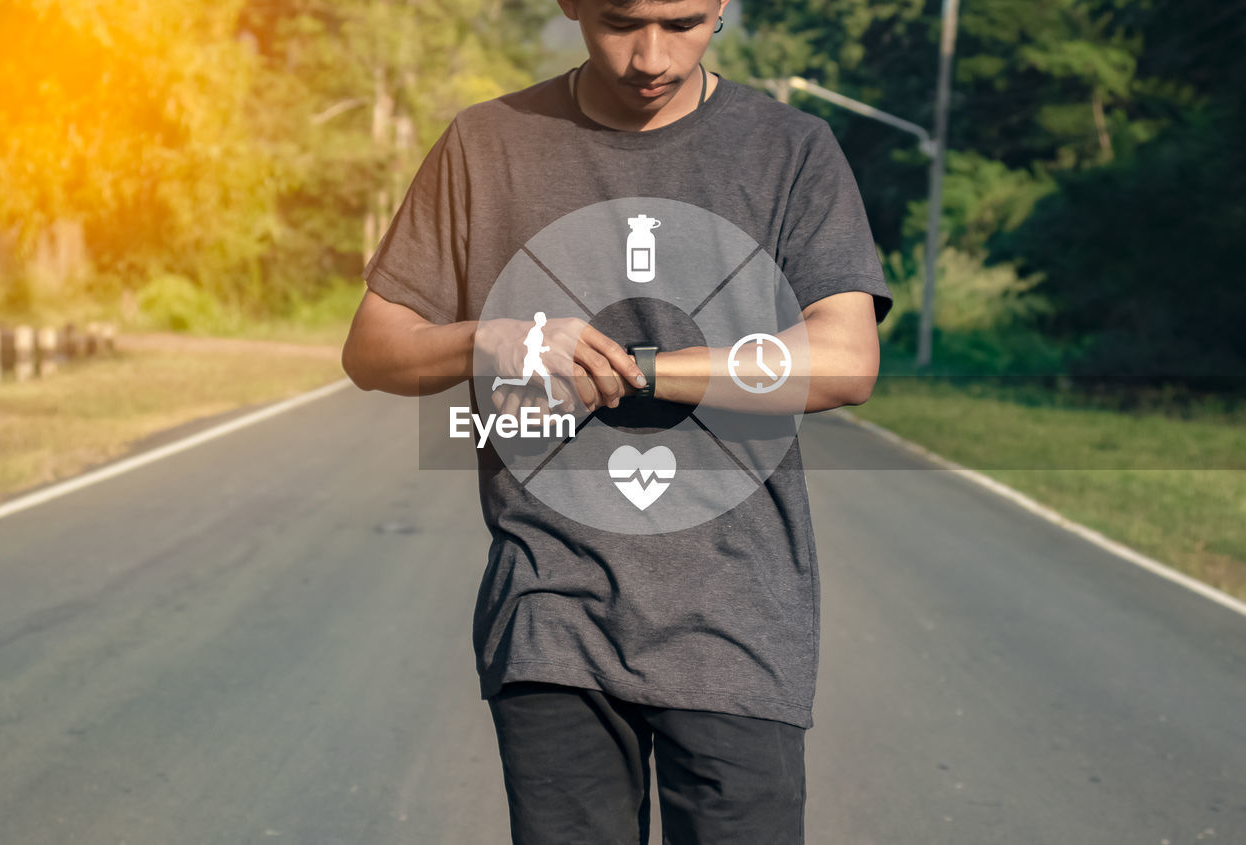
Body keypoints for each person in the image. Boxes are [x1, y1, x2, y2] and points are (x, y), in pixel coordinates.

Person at [342, 0, 894, 841]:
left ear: (722, 7)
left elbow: (847, 358)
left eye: (683, 23)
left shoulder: (790, 149)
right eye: (619, 20)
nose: (650, 56)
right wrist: (501, 338)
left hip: (737, 621)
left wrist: (642, 371)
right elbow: (375, 349)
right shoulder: (488, 144)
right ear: (569, 4)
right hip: (550, 612)